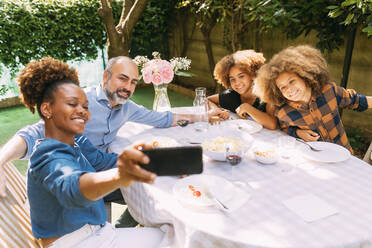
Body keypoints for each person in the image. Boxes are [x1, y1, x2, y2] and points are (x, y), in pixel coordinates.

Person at [0, 55, 224, 225]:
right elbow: (33, 133)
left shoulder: (123, 110)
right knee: (153, 192)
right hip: (75, 201)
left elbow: (161, 118)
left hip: (92, 172)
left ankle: (122, 227)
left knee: (150, 189)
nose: (128, 87)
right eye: (122, 79)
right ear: (105, 77)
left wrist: (202, 117)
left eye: (133, 82)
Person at [17, 57, 164, 248]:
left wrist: (153, 160)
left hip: (97, 233)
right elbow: (73, 187)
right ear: (47, 109)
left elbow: (101, 161)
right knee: (173, 237)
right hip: (76, 242)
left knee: (168, 232)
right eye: (71, 104)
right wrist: (120, 175)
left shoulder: (76, 140)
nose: (83, 112)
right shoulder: (47, 153)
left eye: (84, 105)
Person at [254, 45, 372, 153]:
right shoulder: (283, 112)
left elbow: (357, 101)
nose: (289, 89)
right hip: (315, 159)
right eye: (283, 87)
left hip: (344, 153)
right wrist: (298, 133)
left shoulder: (329, 91)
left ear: (304, 76)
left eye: (292, 81)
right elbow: (285, 128)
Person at [207, 50, 277, 130]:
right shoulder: (231, 96)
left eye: (241, 76)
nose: (237, 83)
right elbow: (207, 100)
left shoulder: (266, 94)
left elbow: (272, 124)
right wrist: (216, 112)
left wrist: (247, 108)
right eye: (232, 79)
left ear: (252, 74)